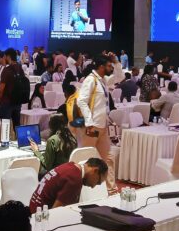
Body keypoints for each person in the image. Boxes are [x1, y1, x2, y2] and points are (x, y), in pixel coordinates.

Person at [76, 55, 117, 192]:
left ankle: (111, 190)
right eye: (109, 66)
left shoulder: (103, 80)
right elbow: (81, 101)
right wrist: (89, 122)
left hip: (103, 126)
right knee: (86, 158)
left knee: (108, 158)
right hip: (92, 127)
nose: (111, 68)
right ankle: (81, 191)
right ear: (101, 67)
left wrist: (116, 62)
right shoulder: (90, 80)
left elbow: (120, 77)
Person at [29, 158, 107, 213]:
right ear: (95, 171)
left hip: (33, 209)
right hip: (39, 218)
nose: (93, 186)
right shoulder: (74, 180)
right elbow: (56, 213)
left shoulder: (71, 166)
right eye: (98, 182)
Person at [0, 48, 24, 127]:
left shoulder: (6, 70)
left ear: (8, 57)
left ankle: (5, 136)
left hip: (7, 102)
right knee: (17, 125)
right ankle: (18, 136)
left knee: (5, 127)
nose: (4, 58)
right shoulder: (20, 68)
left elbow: (1, 88)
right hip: (18, 101)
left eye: (5, 56)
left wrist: (0, 99)